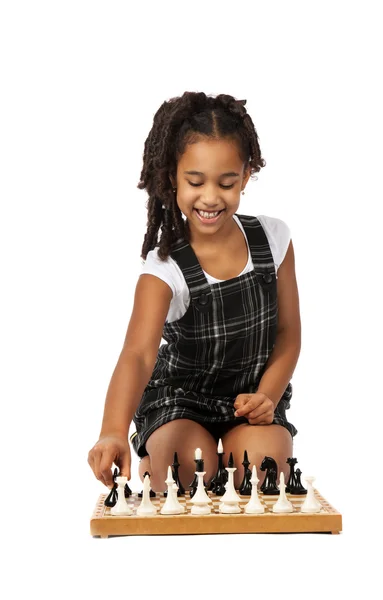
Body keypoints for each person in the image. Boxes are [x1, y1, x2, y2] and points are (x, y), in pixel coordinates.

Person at [88, 91, 301, 493]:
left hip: (252, 398)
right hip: (181, 401)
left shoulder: (274, 240)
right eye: (195, 181)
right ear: (172, 176)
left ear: (247, 174)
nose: (210, 197)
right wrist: (112, 430)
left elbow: (289, 335)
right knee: (186, 468)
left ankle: (232, 456)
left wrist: (268, 396)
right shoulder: (165, 268)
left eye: (227, 182)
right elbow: (137, 354)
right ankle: (159, 449)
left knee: (264, 470)